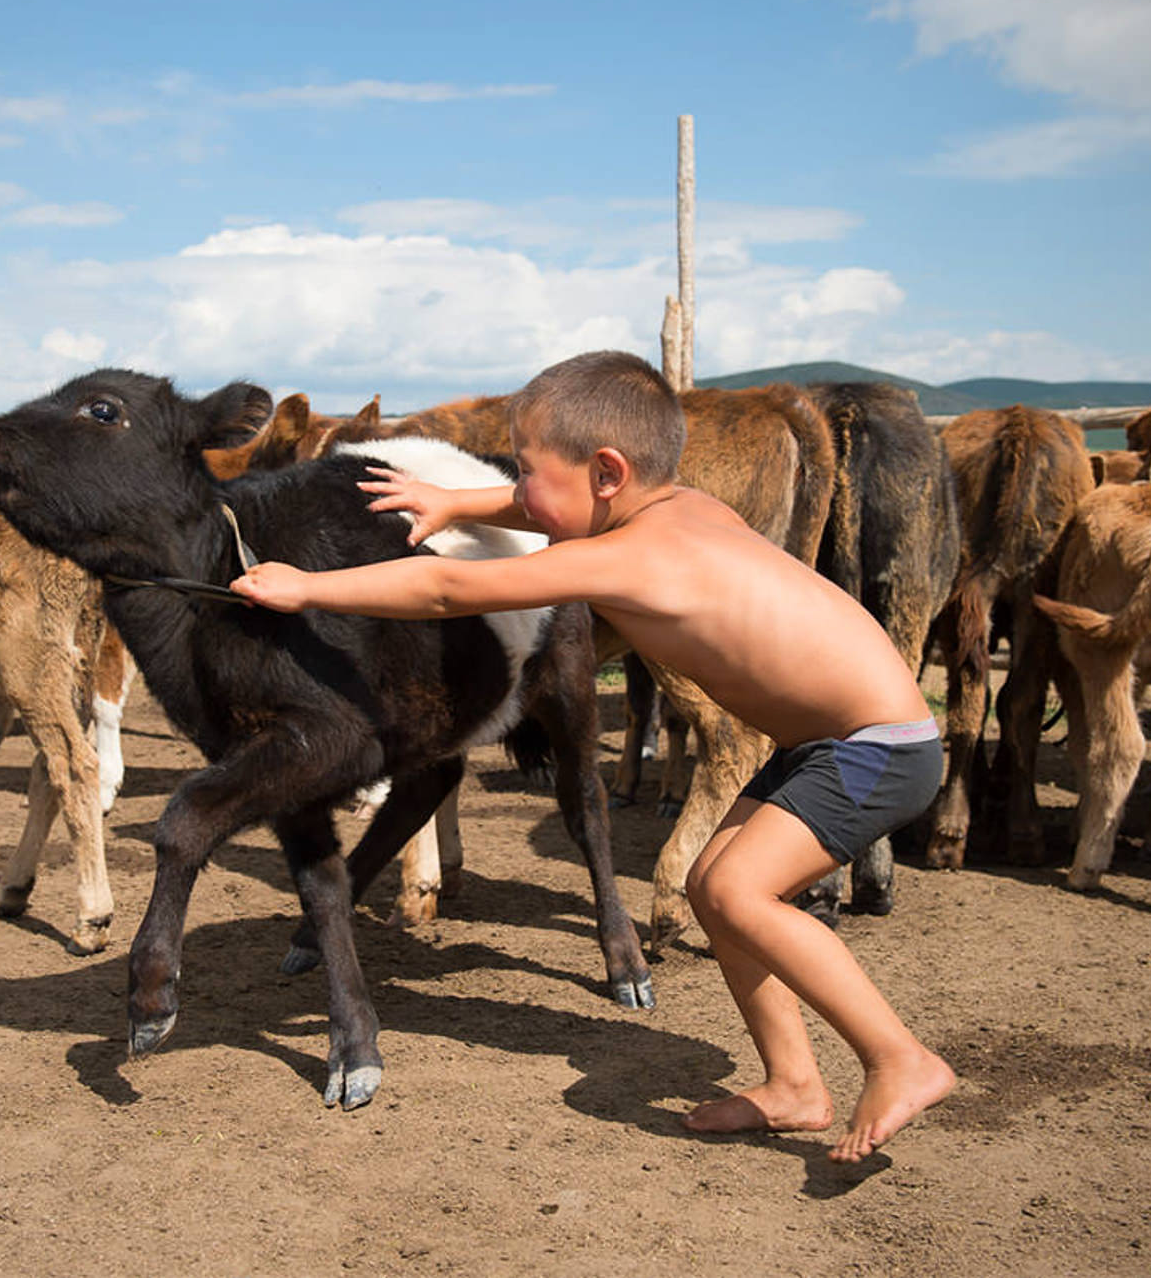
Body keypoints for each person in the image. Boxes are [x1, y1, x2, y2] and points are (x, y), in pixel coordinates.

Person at [229, 349, 953, 1163]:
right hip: (832, 739)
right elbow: (540, 508)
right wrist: (451, 499)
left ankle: (899, 1057)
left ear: (606, 473)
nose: (520, 487)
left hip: (875, 748)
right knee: (715, 890)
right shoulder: (681, 511)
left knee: (740, 891)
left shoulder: (636, 558)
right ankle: (793, 1086)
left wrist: (307, 588)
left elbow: (446, 592)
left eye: (530, 470)